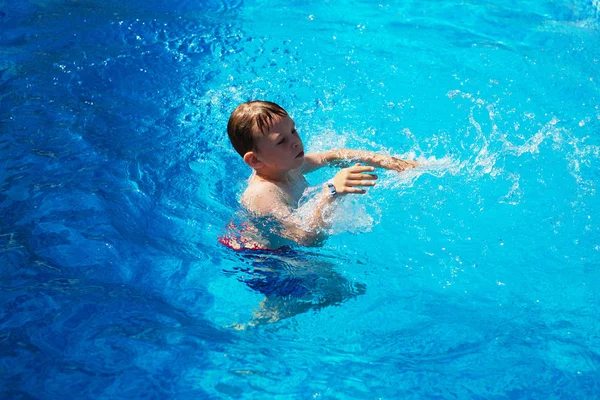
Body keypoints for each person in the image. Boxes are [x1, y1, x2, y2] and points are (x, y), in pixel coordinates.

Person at [221, 100, 418, 251]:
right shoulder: (264, 194)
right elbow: (306, 238)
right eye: (281, 141)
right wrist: (332, 191)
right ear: (255, 161)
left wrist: (383, 161)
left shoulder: (288, 165)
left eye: (293, 130)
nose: (296, 141)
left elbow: (331, 156)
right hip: (267, 259)